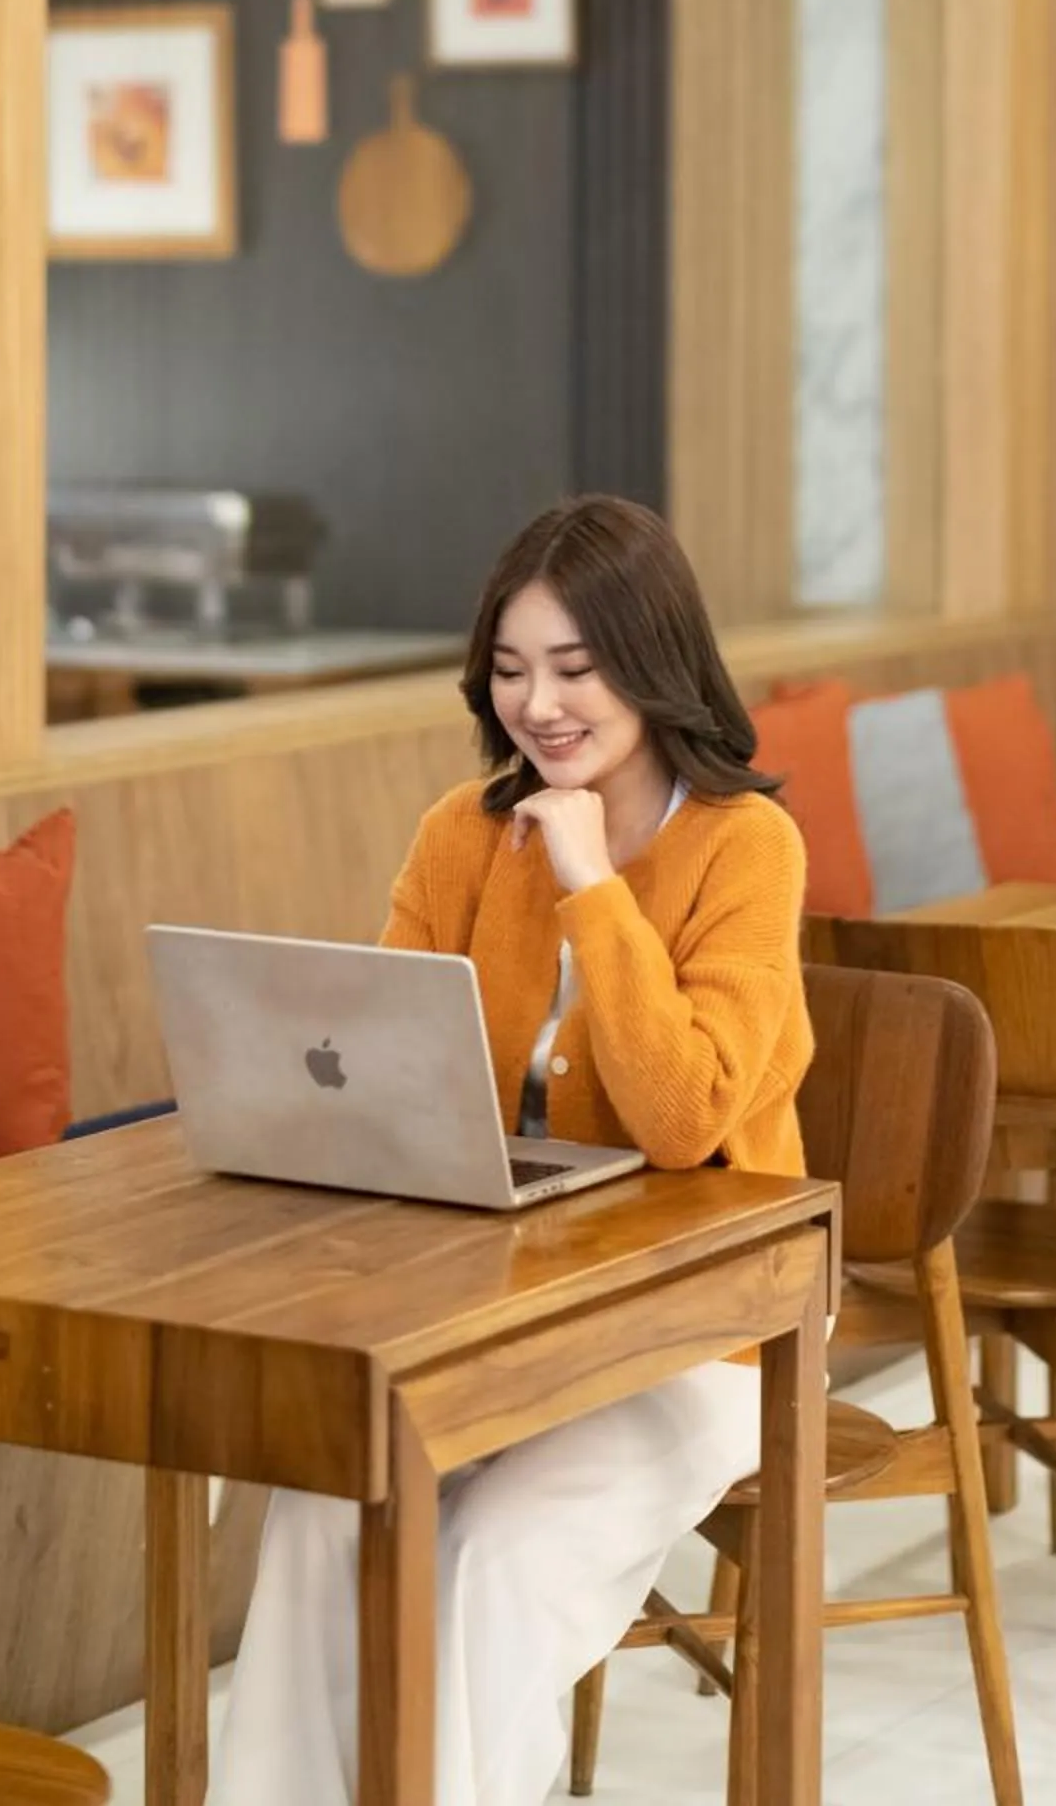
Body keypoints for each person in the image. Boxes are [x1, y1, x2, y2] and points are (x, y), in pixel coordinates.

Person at [208, 493, 813, 1806]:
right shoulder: (463, 834)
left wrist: (595, 884)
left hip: (690, 1332)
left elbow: (686, 1117)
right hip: (488, 1318)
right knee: (325, 1500)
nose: (540, 702)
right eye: (512, 667)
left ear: (656, 663)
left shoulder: (745, 847)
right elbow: (375, 1063)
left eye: (577, 669)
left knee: (493, 1558)